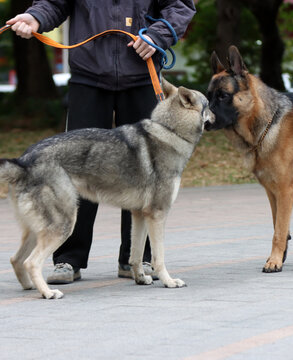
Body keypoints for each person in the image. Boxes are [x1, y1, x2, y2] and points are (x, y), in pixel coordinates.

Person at [8, 0, 196, 284]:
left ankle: (136, 260)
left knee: (145, 177)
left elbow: (179, 5)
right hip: (88, 75)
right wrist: (35, 17)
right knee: (75, 167)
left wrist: (158, 36)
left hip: (142, 74)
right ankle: (68, 260)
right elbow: (54, 3)